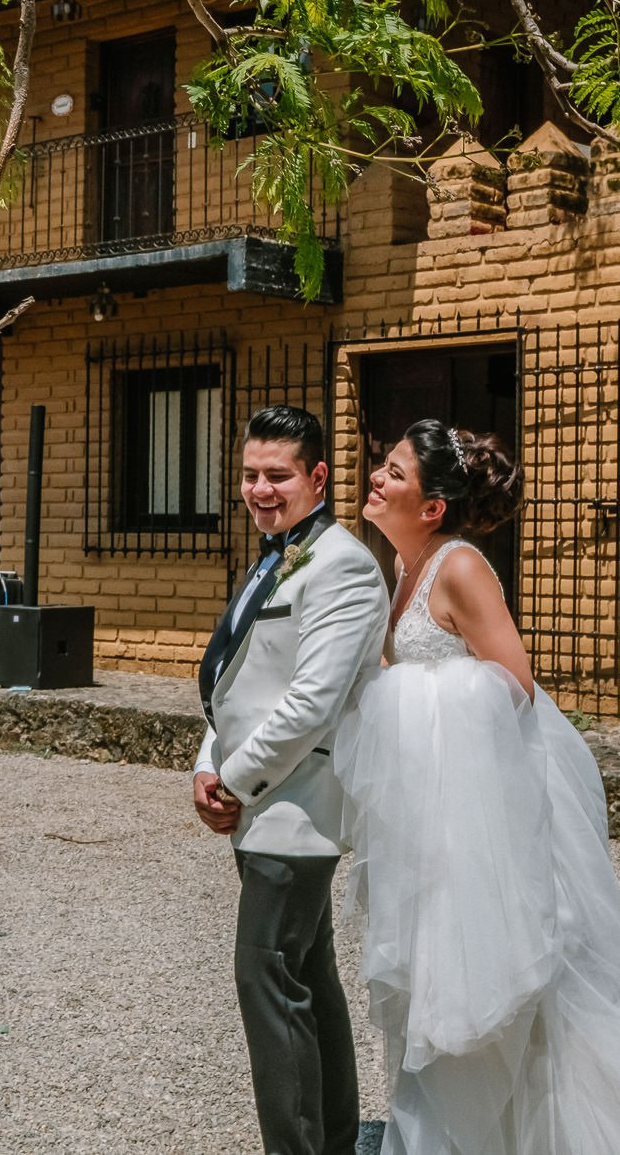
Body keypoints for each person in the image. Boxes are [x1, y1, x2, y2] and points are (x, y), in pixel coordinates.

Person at [338, 418, 620, 1155]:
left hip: (485, 809)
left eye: (393, 471)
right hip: (438, 810)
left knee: (509, 979)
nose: (376, 478)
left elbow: (513, 684)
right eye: (382, 465)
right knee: (441, 972)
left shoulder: (459, 567)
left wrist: (401, 693)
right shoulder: (402, 567)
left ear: (431, 507)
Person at [193, 405, 391, 1155]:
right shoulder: (275, 554)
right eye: (249, 474)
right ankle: (334, 1141)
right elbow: (239, 680)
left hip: (297, 806)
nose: (260, 489)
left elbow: (312, 700)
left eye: (277, 475)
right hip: (258, 802)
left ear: (318, 477)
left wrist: (235, 781)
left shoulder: (338, 562)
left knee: (265, 979)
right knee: (306, 976)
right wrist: (208, 764)